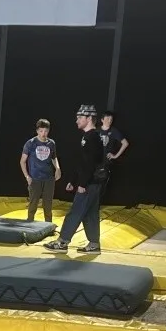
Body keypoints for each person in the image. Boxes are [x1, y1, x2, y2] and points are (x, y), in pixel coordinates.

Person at [43, 105, 108, 254]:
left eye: (80, 117)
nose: (76, 120)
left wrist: (82, 183)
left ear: (89, 119)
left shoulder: (92, 137)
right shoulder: (89, 136)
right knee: (90, 213)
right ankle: (93, 244)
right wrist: (73, 180)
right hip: (93, 182)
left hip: (90, 183)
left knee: (76, 211)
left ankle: (62, 242)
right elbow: (83, 162)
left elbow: (90, 163)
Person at [19, 119, 60, 224]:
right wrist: (27, 176)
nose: (43, 134)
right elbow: (22, 161)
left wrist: (58, 168)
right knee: (33, 204)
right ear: (37, 131)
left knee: (48, 205)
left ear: (48, 131)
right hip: (35, 178)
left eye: (45, 131)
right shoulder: (31, 143)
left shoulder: (51, 143)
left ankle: (48, 226)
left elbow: (53, 157)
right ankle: (29, 224)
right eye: (41, 131)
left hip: (49, 178)